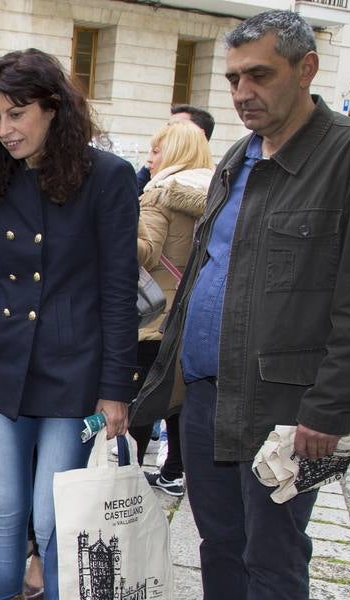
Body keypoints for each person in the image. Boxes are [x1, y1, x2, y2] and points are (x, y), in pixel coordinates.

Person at [133, 11, 350, 600]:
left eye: (260, 75)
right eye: (233, 79)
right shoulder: (239, 157)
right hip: (209, 391)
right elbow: (205, 274)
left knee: (276, 550)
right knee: (219, 538)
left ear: (306, 69)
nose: (244, 92)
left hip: (296, 411)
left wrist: (330, 409)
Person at [0, 49, 138, 600]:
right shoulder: (1, 179)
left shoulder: (109, 178)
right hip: (3, 370)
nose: (5, 129)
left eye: (18, 114)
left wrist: (115, 388)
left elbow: (119, 290)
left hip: (70, 376)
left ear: (54, 108)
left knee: (53, 520)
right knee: (4, 513)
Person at [127, 121, 214, 496]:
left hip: (157, 311)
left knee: (143, 396)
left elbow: (145, 251)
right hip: (199, 310)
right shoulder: (218, 190)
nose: (150, 157)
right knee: (182, 396)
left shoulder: (161, 192)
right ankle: (175, 471)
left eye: (157, 150)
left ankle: (127, 475)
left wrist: (115, 234)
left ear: (175, 152)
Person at [136, 103, 215, 194]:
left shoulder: (213, 182)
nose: (168, 131)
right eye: (168, 126)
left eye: (177, 126)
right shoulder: (153, 168)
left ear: (199, 134)